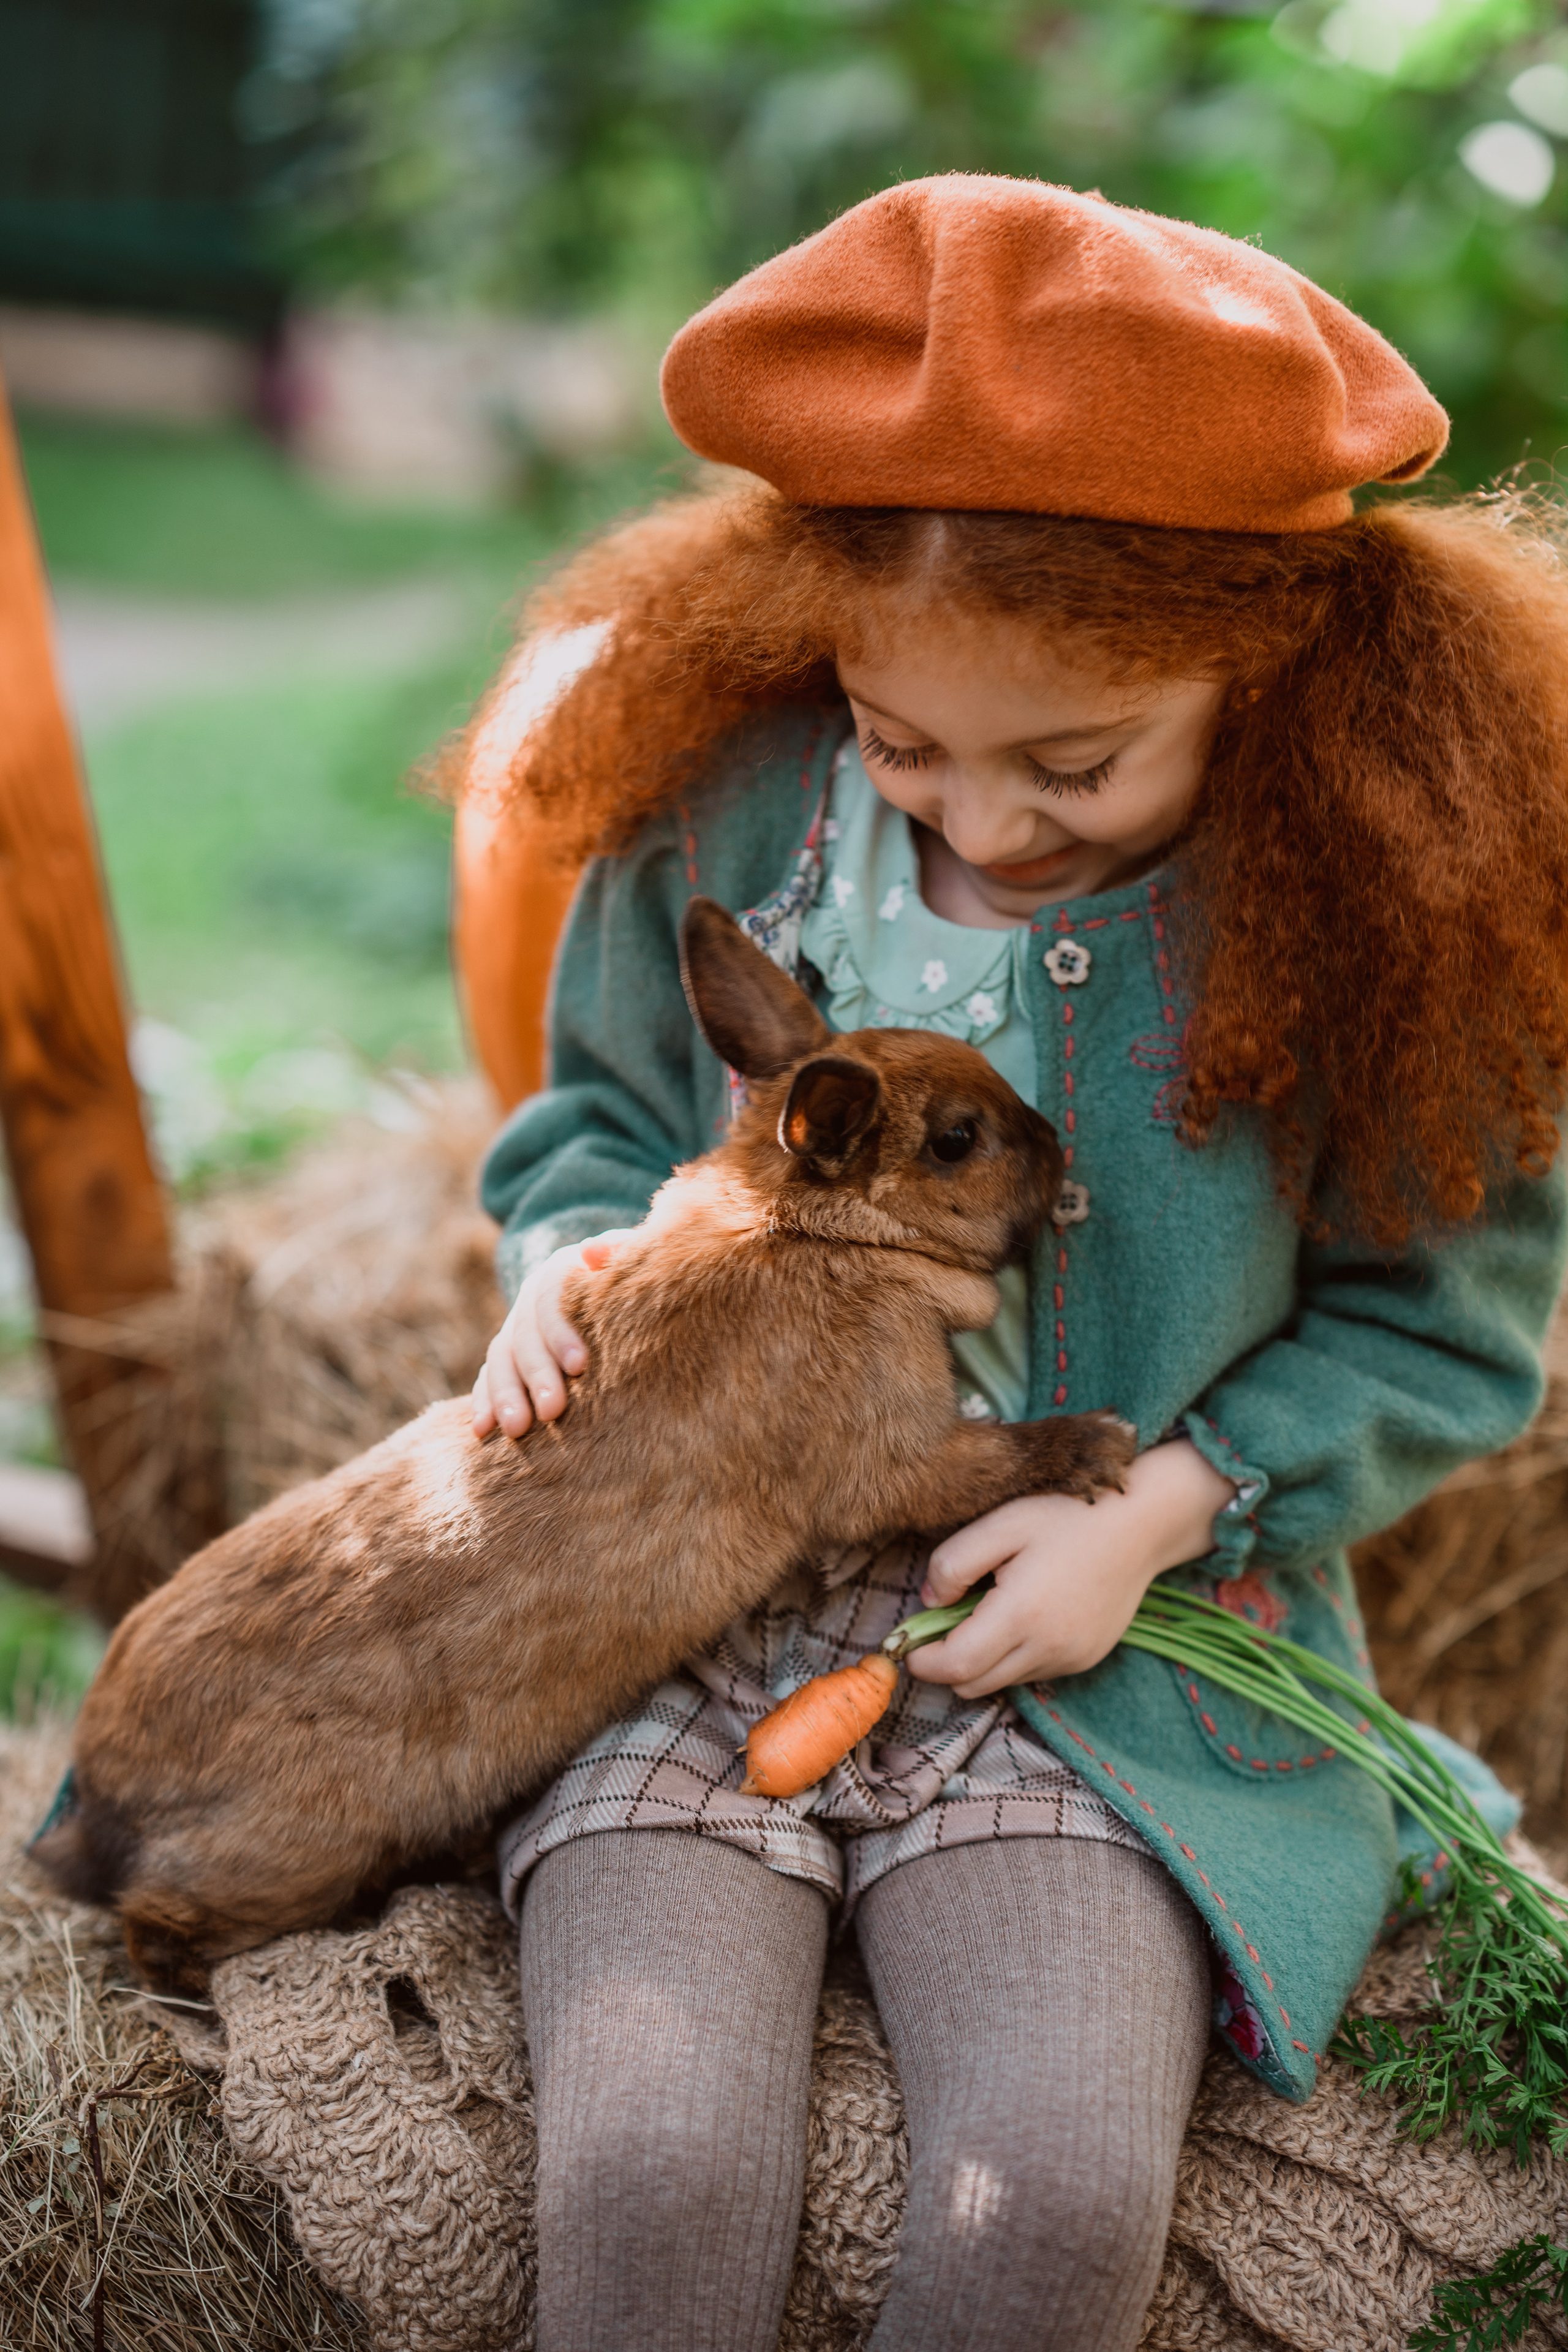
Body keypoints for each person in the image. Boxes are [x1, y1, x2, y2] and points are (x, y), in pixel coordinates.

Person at [465, 178, 1568, 2352]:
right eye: (906, 748)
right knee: (652, 2154)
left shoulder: (1368, 893)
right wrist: (566, 1261)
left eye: (1077, 764)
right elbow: (592, 1116)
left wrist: (1150, 1521)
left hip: (1103, 1662)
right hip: (674, 1591)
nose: (980, 827)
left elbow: (1440, 1328)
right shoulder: (725, 791)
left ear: (1271, 676)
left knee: (1047, 2193)